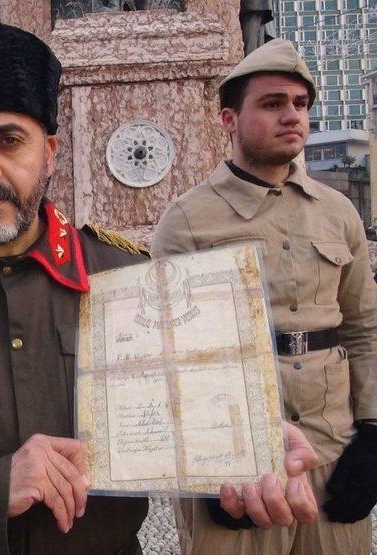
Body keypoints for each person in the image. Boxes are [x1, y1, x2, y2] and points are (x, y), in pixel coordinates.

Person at [0, 22, 318, 554]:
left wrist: (248, 457)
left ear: (49, 151)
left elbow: (191, 433)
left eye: (9, 140)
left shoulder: (129, 277)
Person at [152, 38, 377, 554]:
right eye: (273, 103)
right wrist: (207, 471)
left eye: (300, 104)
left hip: (331, 448)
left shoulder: (338, 211)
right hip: (238, 463)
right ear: (229, 120)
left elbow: (365, 325)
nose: (291, 116)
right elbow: (171, 358)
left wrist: (373, 433)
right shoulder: (187, 220)